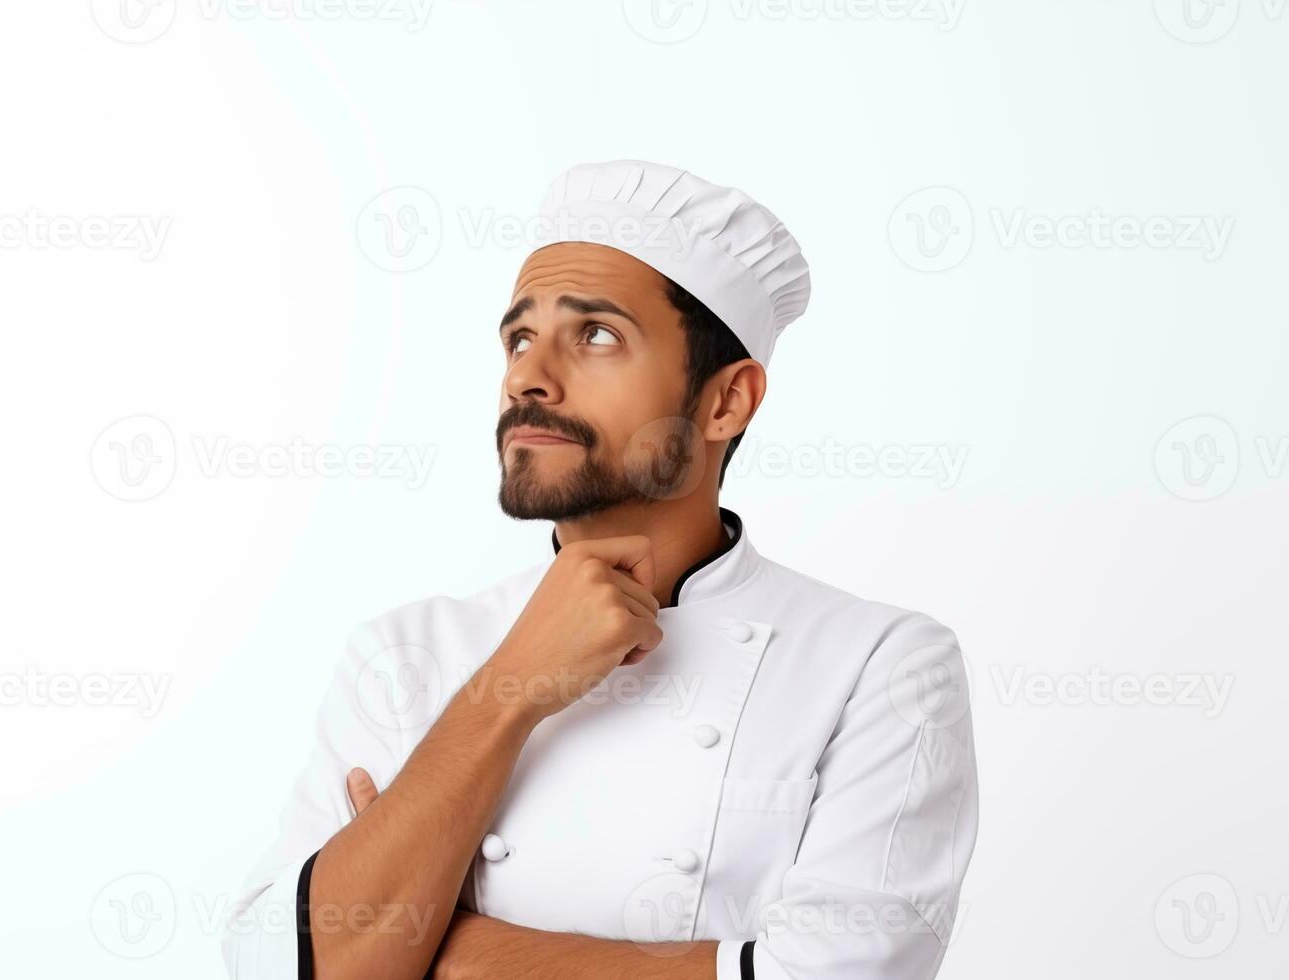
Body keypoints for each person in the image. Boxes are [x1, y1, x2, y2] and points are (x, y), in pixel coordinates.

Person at [223, 159, 978, 980]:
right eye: (518, 338)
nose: (527, 377)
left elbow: (841, 974)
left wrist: (454, 954)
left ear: (725, 401)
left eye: (596, 335)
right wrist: (509, 685)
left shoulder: (879, 664)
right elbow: (276, 964)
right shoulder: (403, 652)